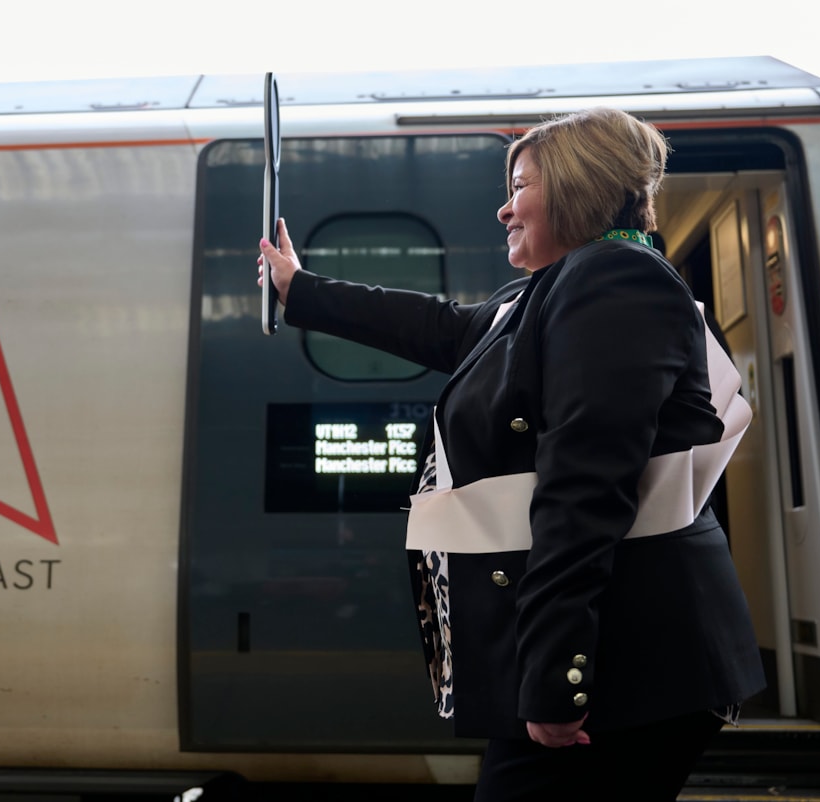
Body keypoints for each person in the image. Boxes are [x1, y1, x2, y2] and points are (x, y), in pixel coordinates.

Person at [257, 107, 765, 801]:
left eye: (520, 185)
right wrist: (302, 290)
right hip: (618, 657)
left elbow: (585, 489)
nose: (503, 210)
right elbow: (441, 327)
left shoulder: (616, 281)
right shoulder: (546, 293)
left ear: (576, 187)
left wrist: (560, 675)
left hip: (624, 664)